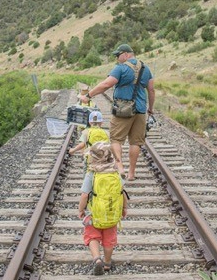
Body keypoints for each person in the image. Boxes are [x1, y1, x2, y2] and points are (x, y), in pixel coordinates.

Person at [80, 44, 155, 181]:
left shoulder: (121, 68)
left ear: (126, 54)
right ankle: (131, 174)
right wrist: (150, 109)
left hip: (123, 110)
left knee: (116, 139)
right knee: (136, 142)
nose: (116, 58)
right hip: (140, 110)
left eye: (118, 55)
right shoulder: (146, 69)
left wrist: (88, 96)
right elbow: (151, 90)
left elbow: (106, 84)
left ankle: (119, 166)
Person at [78, 142, 128, 275]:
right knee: (109, 240)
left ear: (93, 158)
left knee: (92, 236)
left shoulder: (92, 174)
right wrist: (124, 208)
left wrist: (81, 210)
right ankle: (107, 263)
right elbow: (122, 193)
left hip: (94, 213)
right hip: (111, 213)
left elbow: (84, 195)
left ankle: (96, 259)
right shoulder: (116, 174)